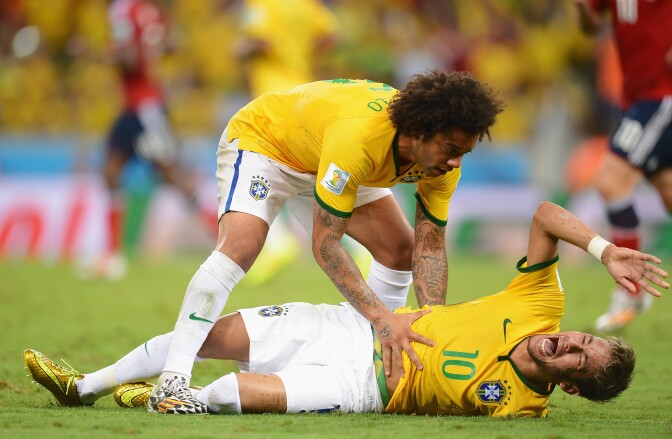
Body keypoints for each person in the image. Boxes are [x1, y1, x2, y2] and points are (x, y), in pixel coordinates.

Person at [23, 201, 669, 416]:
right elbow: (545, 217)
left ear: (570, 386)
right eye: (583, 336)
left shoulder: (522, 408)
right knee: (205, 336)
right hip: (355, 326)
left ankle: (161, 399)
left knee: (227, 395)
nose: (570, 342)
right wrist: (605, 248)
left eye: (580, 357)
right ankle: (83, 385)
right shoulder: (540, 304)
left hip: (362, 383)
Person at [138, 70, 505, 414]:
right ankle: (172, 382)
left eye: (464, 152)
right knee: (242, 247)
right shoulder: (360, 138)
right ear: (421, 130)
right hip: (268, 143)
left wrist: (433, 326)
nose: (456, 162)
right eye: (450, 148)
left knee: (401, 250)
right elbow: (325, 245)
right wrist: (383, 319)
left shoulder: (439, 163)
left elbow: (429, 247)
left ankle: (371, 354)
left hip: (324, 157)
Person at [81, 0, 215, 280]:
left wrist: (94, 55)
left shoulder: (123, 9)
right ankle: (113, 255)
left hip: (144, 109)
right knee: (111, 172)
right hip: (136, 107)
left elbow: (129, 59)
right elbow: (171, 43)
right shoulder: (149, 9)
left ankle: (225, 241)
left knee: (171, 174)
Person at [573, 0, 672, 332]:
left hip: (662, 96)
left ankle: (632, 289)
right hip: (637, 97)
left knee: (610, 182)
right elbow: (590, 26)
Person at [232, 0, 338, 286]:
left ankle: (279, 244)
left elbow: (258, 42)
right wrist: (299, 53)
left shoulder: (262, 5)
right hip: (302, 92)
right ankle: (358, 249)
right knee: (305, 173)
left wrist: (240, 50)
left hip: (272, 97)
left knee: (249, 164)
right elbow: (330, 35)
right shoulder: (308, 6)